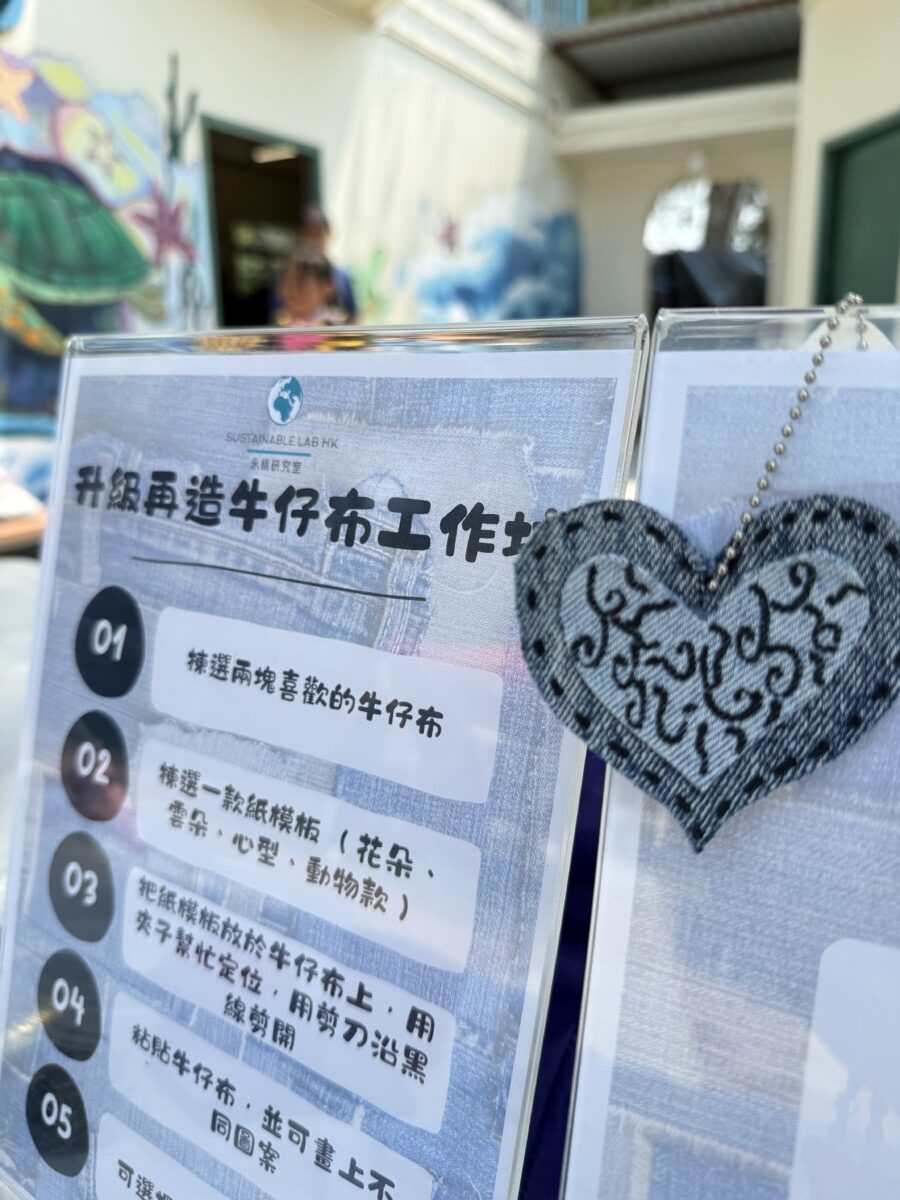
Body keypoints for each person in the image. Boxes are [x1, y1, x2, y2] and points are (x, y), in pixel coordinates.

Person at [296, 205, 358, 323]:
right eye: (309, 234)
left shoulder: (342, 277)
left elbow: (354, 317)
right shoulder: (291, 276)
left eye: (318, 234)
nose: (313, 240)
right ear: (300, 236)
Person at [276, 249, 335, 327]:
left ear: (327, 287)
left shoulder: (336, 327)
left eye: (300, 282)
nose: (292, 290)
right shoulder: (278, 325)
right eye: (287, 282)